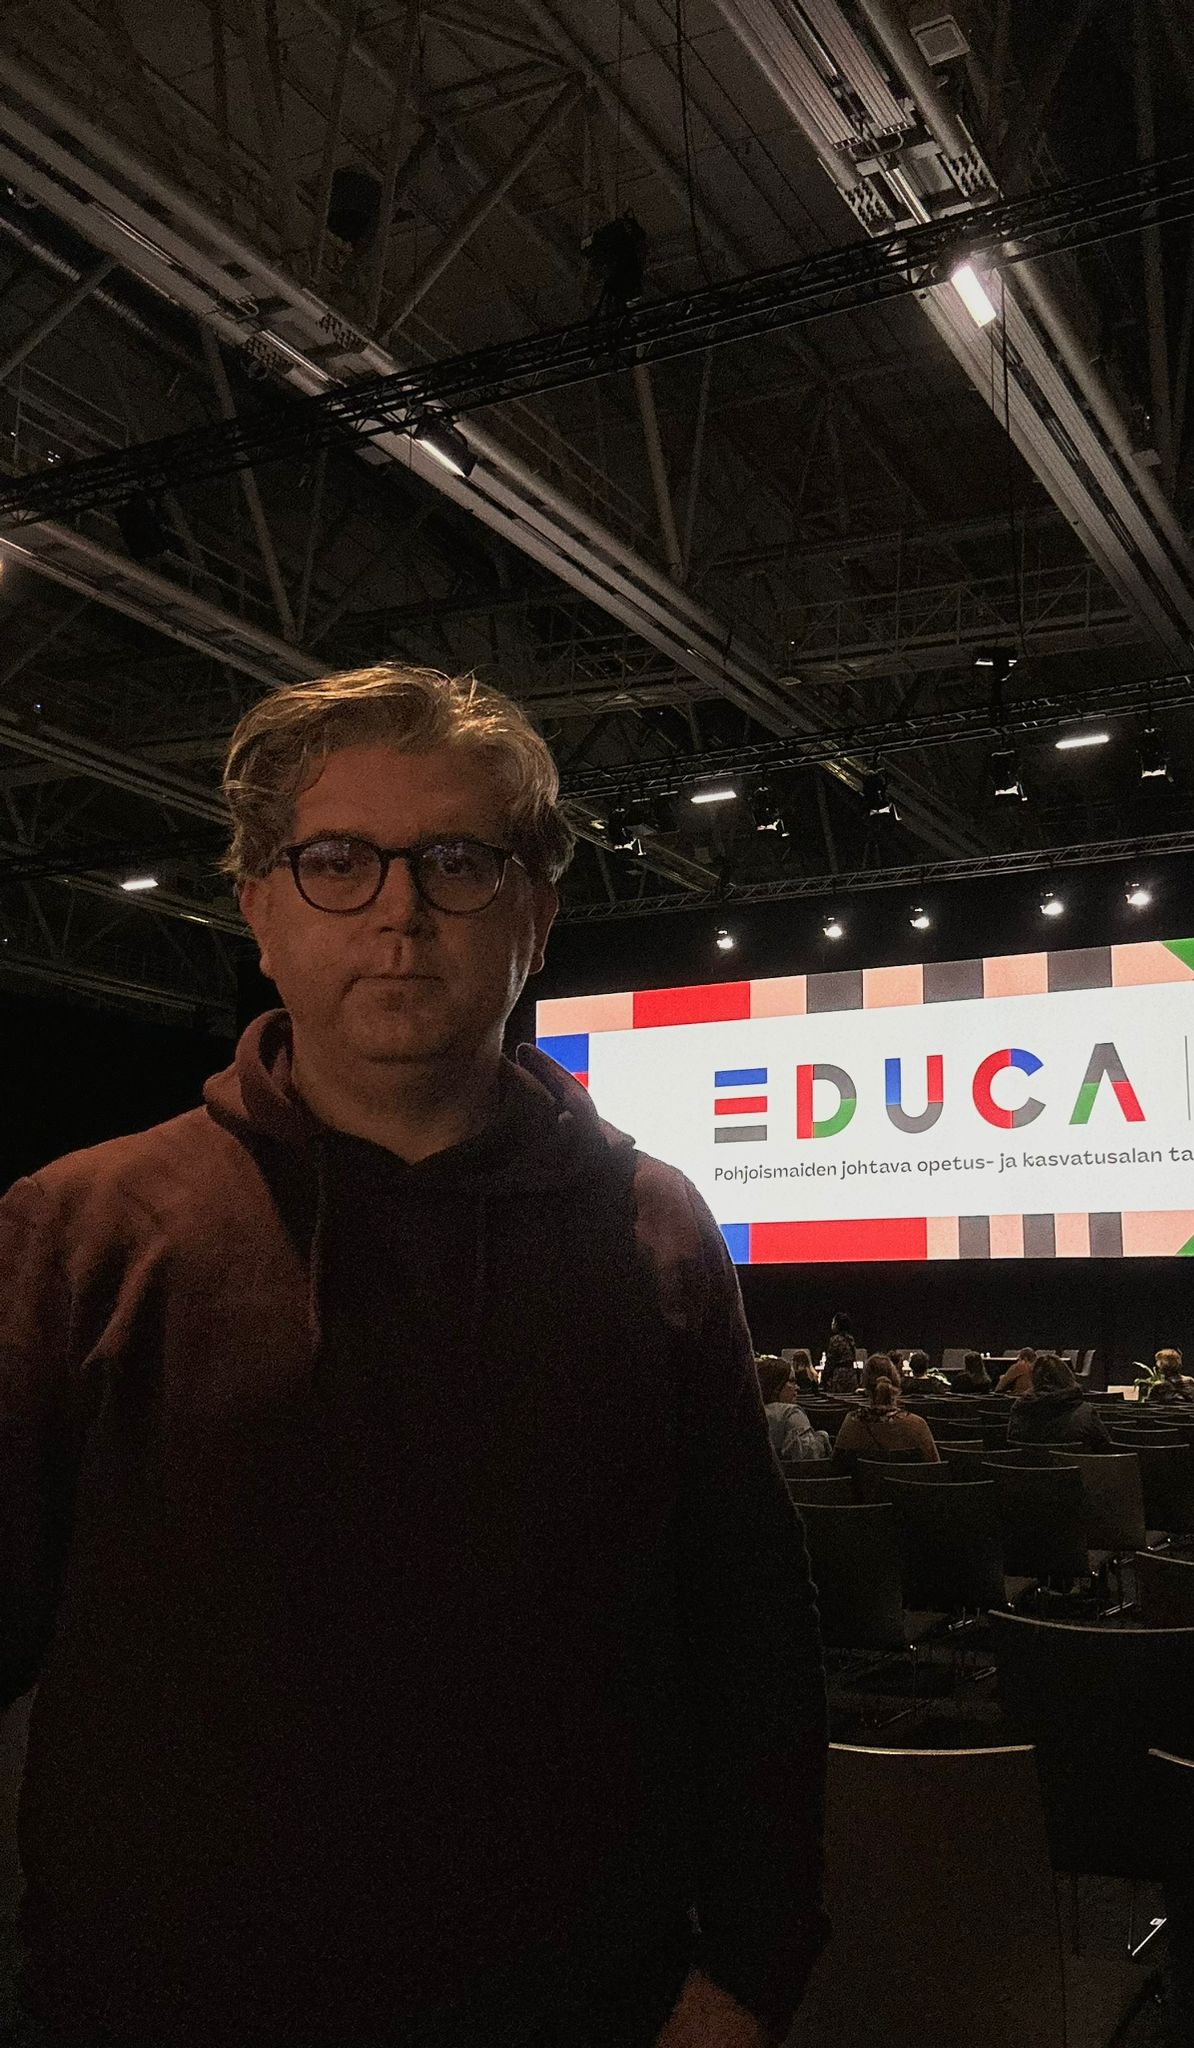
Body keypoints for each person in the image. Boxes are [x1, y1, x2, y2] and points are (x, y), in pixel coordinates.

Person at [0, 664, 828, 2048]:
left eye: (457, 859)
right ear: (260, 910)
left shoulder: (655, 1228)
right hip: (150, 2009)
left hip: (585, 2009)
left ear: (536, 912)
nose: (400, 910)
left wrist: (752, 1971)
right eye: (337, 860)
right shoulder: (82, 1228)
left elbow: (749, 1633)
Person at [831, 1361, 939, 1469]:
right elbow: (935, 1469)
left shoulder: (851, 1424)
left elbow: (836, 1467)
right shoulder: (917, 1425)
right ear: (896, 1383)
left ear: (865, 1387)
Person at [1007, 1354, 1113, 1449]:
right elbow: (1106, 1449)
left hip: (1028, 1464)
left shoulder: (1019, 1409)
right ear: (1068, 1377)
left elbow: (1012, 1442)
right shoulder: (1086, 1413)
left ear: (1035, 1380)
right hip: (1077, 1464)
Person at [757, 1356, 831, 1463]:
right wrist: (822, 1437)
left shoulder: (749, 1413)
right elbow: (808, 1458)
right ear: (776, 1384)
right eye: (792, 1381)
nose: (797, 1387)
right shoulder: (791, 1413)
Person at [820, 1332, 861, 1397]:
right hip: (851, 1373)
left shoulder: (835, 1339)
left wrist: (824, 1376)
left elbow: (830, 1360)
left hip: (839, 1375)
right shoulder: (850, 1339)